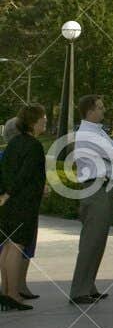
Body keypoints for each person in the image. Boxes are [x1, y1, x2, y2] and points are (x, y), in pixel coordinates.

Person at [69, 94, 113, 308]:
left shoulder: (98, 132)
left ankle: (88, 285)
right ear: (90, 111)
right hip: (96, 189)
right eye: (100, 107)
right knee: (91, 241)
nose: (103, 110)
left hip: (103, 188)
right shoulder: (87, 134)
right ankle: (79, 290)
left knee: (98, 241)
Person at [0, 104, 47, 311]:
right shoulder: (33, 145)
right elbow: (25, 174)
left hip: (10, 204)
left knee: (8, 246)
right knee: (17, 247)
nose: (46, 121)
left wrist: (5, 195)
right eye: (43, 118)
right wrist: (10, 192)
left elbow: (7, 172)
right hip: (24, 203)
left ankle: (6, 291)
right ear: (34, 121)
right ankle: (12, 294)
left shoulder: (14, 144)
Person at [0, 118, 36, 300]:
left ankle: (12, 288)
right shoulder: (14, 155)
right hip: (16, 208)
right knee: (16, 246)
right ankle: (13, 290)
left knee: (9, 247)